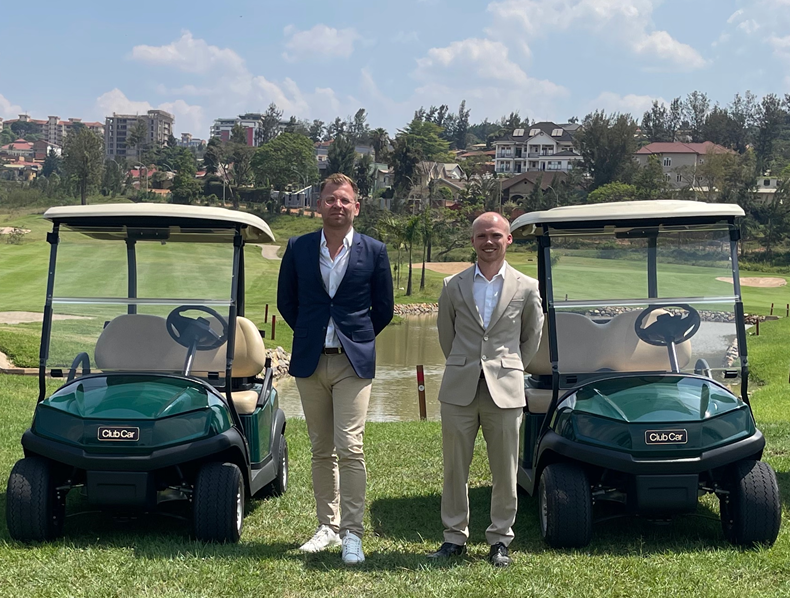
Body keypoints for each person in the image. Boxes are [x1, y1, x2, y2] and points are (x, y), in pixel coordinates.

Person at [277, 172, 394, 565]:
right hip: (311, 361)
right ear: (318, 204)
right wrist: (312, 334)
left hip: (352, 363)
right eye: (330, 199)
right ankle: (327, 526)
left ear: (356, 206)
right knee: (320, 449)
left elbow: (384, 309)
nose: (337, 205)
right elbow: (287, 303)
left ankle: (353, 534)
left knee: (351, 446)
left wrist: (354, 337)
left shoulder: (374, 251)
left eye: (345, 200)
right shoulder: (298, 247)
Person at [428, 212, 544, 567]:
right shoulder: (453, 285)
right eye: (482, 236)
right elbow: (446, 336)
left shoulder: (527, 287)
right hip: (460, 387)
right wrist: (466, 364)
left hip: (505, 389)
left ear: (508, 239)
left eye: (495, 235)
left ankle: (500, 540)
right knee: (454, 468)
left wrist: (509, 367)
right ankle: (454, 537)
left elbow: (532, 337)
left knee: (505, 470)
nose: (488, 241)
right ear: (473, 240)